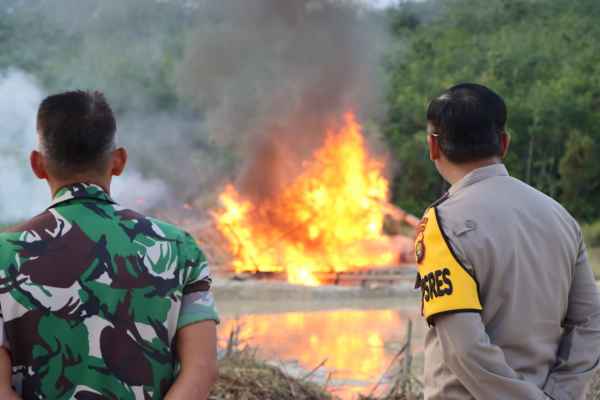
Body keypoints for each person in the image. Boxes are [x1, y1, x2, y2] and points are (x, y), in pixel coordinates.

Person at [0, 91, 219, 400]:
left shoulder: (4, 254)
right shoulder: (179, 248)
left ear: (37, 165)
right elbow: (201, 369)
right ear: (119, 161)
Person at [415, 83, 600, 400]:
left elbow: (464, 350)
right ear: (504, 143)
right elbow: (591, 321)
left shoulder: (442, 224)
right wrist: (560, 394)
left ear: (434, 146)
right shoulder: (559, 216)